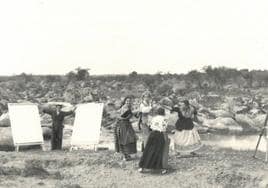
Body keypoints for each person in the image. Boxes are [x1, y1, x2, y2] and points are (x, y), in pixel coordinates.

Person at [138, 107, 168, 174]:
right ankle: (160, 168)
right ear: (163, 113)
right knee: (159, 151)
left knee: (148, 150)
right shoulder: (165, 119)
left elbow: (150, 127)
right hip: (160, 135)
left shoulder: (154, 118)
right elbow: (164, 128)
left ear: (157, 112)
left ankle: (142, 167)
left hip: (152, 134)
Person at [114, 96, 137, 161]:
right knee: (124, 139)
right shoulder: (124, 107)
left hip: (127, 124)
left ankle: (127, 154)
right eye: (127, 101)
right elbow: (118, 115)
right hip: (121, 125)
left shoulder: (129, 108)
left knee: (130, 139)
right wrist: (123, 118)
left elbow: (133, 116)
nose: (128, 102)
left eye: (129, 101)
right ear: (125, 101)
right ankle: (125, 155)